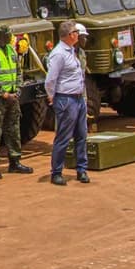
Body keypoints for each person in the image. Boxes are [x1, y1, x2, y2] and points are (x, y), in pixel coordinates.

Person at [0, 25, 32, 179]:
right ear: (0, 36)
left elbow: (18, 71)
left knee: (13, 129)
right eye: (8, 35)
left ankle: (15, 162)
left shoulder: (11, 49)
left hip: (12, 96)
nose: (10, 37)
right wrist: (3, 94)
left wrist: (18, 89)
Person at [45, 20, 89, 186]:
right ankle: (56, 172)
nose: (78, 35)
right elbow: (50, 79)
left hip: (78, 98)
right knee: (63, 137)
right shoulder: (59, 54)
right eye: (76, 32)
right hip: (66, 99)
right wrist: (51, 96)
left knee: (81, 135)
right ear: (70, 35)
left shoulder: (71, 51)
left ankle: (81, 170)